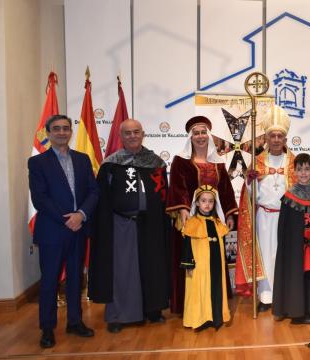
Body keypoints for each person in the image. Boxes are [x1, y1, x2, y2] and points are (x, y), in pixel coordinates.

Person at [89, 119, 170, 333]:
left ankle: (153, 310)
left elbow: (163, 196)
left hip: (151, 223)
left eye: (136, 132)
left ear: (142, 134)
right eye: (127, 133)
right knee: (122, 270)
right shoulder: (111, 164)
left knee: (152, 267)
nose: (132, 136)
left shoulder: (155, 162)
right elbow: (102, 199)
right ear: (121, 136)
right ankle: (118, 315)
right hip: (121, 224)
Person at [28, 115, 99, 348]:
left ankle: (75, 322)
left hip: (79, 228)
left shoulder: (82, 159)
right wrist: (66, 219)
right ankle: (47, 328)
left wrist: (81, 215)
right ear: (48, 133)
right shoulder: (38, 163)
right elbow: (40, 198)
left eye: (65, 128)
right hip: (52, 230)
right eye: (56, 129)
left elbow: (93, 191)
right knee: (49, 281)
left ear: (71, 132)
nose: (61, 132)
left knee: (76, 278)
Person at [166, 116, 238, 315]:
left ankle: (213, 302)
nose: (200, 136)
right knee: (191, 262)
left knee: (212, 260)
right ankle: (188, 306)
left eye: (203, 132)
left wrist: (230, 214)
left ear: (209, 135)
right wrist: (184, 212)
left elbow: (225, 190)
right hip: (190, 220)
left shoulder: (218, 163)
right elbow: (178, 188)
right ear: (191, 137)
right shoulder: (181, 161)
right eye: (196, 133)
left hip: (214, 220)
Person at [235, 106, 295, 312]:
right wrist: (250, 182)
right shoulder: (258, 162)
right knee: (264, 255)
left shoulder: (294, 162)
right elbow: (251, 195)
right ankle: (266, 296)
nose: (276, 139)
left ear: (285, 139)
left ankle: (284, 294)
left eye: (280, 136)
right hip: (263, 218)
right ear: (266, 139)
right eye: (272, 136)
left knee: (282, 255)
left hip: (286, 218)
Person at [273, 153, 310, 324]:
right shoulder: (289, 197)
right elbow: (284, 227)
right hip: (297, 247)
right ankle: (298, 310)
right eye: (300, 170)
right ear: (294, 172)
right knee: (298, 274)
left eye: (307, 169)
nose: (304, 173)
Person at [180, 185, 231, 331]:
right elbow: (187, 246)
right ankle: (199, 319)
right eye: (203, 201)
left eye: (210, 201)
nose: (207, 204)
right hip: (199, 266)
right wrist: (188, 264)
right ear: (197, 203)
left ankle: (214, 318)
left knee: (215, 289)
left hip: (215, 265)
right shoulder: (191, 223)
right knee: (199, 291)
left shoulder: (217, 223)